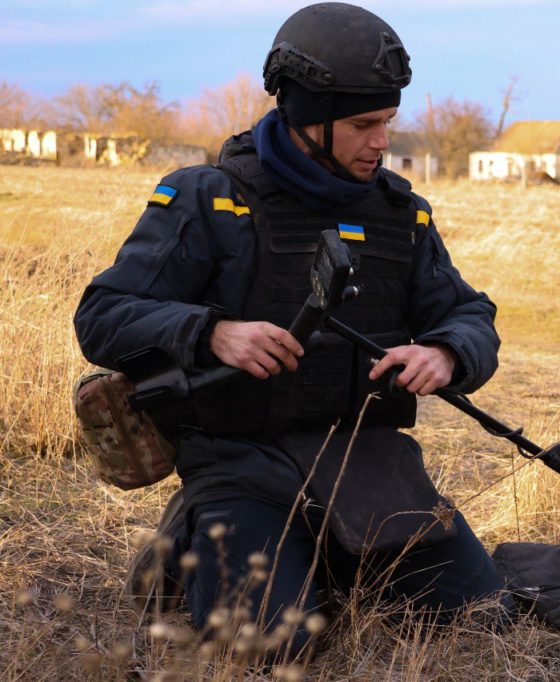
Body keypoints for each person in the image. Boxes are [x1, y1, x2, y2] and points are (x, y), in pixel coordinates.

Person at [74, 2, 507, 658]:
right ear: (308, 116)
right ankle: (194, 545)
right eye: (364, 124)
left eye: (388, 122)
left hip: (370, 468)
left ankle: (326, 562)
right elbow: (102, 315)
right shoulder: (207, 199)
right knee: (271, 650)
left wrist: (447, 353)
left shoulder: (400, 215)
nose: (382, 142)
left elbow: (472, 317)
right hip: (241, 466)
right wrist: (211, 331)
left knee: (483, 622)